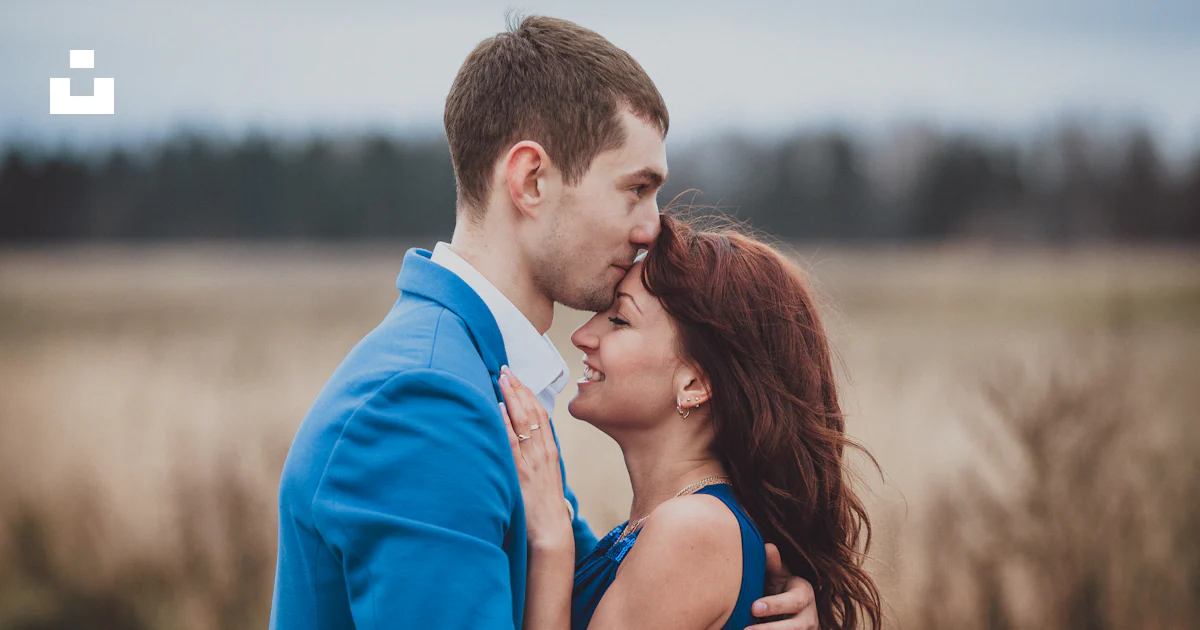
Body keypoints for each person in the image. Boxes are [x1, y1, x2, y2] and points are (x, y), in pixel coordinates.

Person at [269, 15, 820, 630]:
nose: (651, 227)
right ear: (531, 180)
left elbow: (606, 592)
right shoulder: (423, 402)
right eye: (635, 188)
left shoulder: (493, 382)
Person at [498, 214, 883, 629]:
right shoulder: (660, 527)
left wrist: (552, 544)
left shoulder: (692, 530)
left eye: (619, 320)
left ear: (696, 383)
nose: (582, 336)